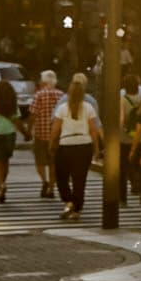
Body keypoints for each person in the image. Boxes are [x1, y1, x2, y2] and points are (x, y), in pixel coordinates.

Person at [50, 80, 101, 219]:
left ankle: (69, 200)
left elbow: (55, 129)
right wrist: (96, 147)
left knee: (62, 177)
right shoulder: (88, 107)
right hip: (84, 145)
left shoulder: (62, 108)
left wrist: (52, 144)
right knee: (80, 179)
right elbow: (93, 129)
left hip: (66, 144)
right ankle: (77, 209)